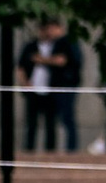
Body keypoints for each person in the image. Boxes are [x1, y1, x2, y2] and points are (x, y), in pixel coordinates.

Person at [21, 23, 78, 159]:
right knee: (31, 122)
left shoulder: (60, 45)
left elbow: (61, 61)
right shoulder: (30, 46)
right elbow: (21, 66)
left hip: (50, 90)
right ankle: (29, 150)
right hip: (34, 90)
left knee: (50, 123)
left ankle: (50, 152)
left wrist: (41, 60)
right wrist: (25, 83)